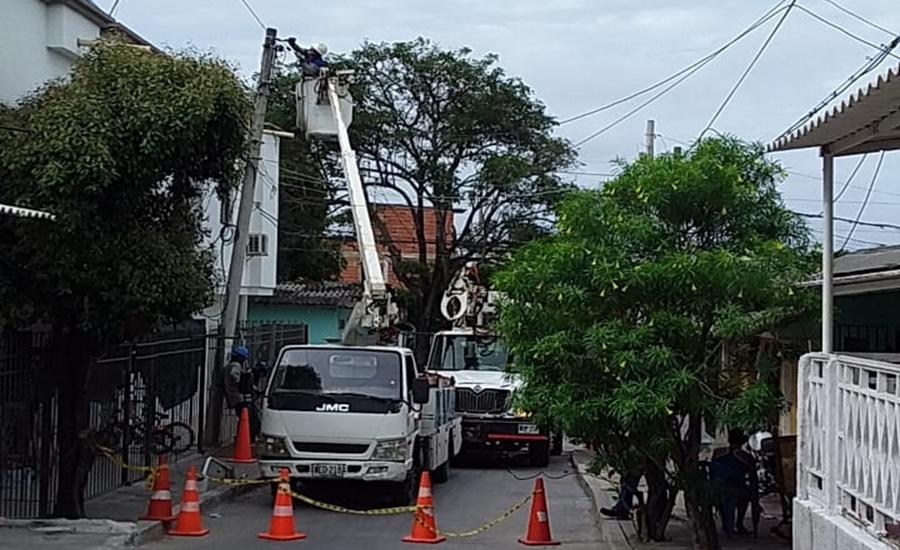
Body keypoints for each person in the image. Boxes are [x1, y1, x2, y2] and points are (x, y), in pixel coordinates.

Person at [710, 429, 758, 536]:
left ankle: (725, 522)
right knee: (745, 494)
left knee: (723, 493)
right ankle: (739, 523)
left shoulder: (718, 453)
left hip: (718, 488)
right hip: (737, 489)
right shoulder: (746, 457)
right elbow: (753, 480)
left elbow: (713, 472)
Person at [223, 345, 261, 442]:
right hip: (238, 398)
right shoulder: (235, 366)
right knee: (248, 418)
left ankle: (247, 437)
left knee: (250, 417)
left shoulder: (234, 365)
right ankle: (246, 437)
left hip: (238, 397)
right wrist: (244, 378)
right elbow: (235, 376)